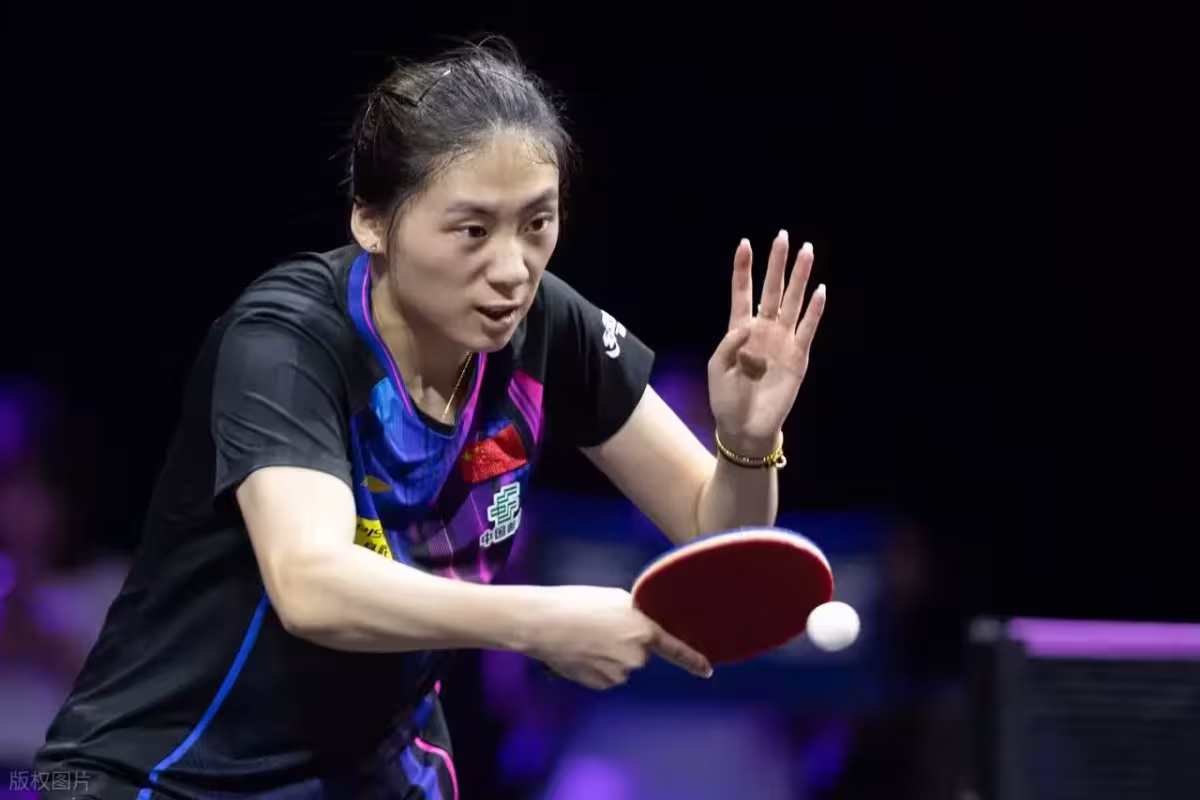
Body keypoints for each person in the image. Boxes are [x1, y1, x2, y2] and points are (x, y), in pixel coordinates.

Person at [36, 38, 826, 799]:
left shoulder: (549, 331)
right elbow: (310, 584)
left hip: (373, 772)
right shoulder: (287, 341)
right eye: (472, 230)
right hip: (170, 773)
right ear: (372, 221)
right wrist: (538, 621)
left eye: (537, 223)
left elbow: (719, 537)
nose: (513, 268)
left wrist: (746, 443)